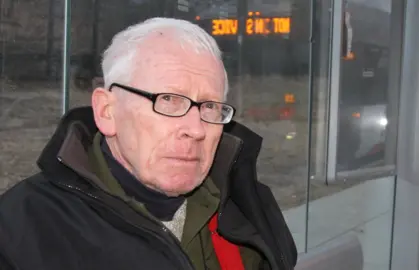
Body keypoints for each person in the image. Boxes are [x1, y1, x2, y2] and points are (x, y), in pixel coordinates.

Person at [0, 17, 297, 270]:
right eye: (168, 100)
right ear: (107, 111)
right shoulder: (21, 229)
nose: (196, 130)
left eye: (209, 107)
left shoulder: (248, 202)